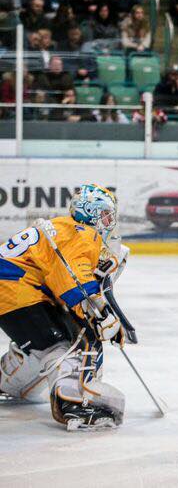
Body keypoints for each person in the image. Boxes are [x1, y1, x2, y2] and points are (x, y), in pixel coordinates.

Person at [0, 185, 127, 431]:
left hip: (13, 287)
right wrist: (100, 314)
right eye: (106, 215)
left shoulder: (65, 227)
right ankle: (72, 403)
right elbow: (74, 276)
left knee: (39, 345)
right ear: (91, 213)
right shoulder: (82, 234)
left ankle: (8, 381)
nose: (110, 221)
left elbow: (59, 276)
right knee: (63, 347)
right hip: (14, 290)